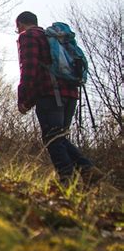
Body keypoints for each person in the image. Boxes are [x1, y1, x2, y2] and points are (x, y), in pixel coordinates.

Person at [15, 11, 103, 186]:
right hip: (71, 93)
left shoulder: (28, 36)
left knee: (52, 138)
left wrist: (23, 98)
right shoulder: (51, 37)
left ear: (20, 25)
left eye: (17, 29)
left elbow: (29, 68)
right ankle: (86, 170)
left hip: (50, 94)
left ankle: (67, 180)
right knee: (58, 136)